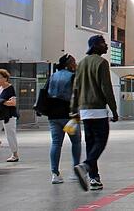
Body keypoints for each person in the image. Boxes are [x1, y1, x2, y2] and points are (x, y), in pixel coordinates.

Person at [72, 35, 118, 192]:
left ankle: (94, 178)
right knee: (101, 141)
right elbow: (106, 88)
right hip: (98, 109)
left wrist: (73, 110)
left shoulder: (81, 63)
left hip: (84, 111)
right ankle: (85, 166)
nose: (106, 46)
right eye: (104, 43)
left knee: (91, 144)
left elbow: (76, 88)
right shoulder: (102, 63)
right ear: (96, 46)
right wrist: (114, 109)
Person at [46, 54, 82, 184]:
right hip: (69, 115)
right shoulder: (72, 76)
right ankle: (75, 171)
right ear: (69, 64)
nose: (75, 64)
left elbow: (45, 93)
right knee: (76, 142)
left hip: (53, 115)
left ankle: (55, 173)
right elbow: (77, 94)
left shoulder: (53, 76)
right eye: (74, 62)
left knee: (56, 143)